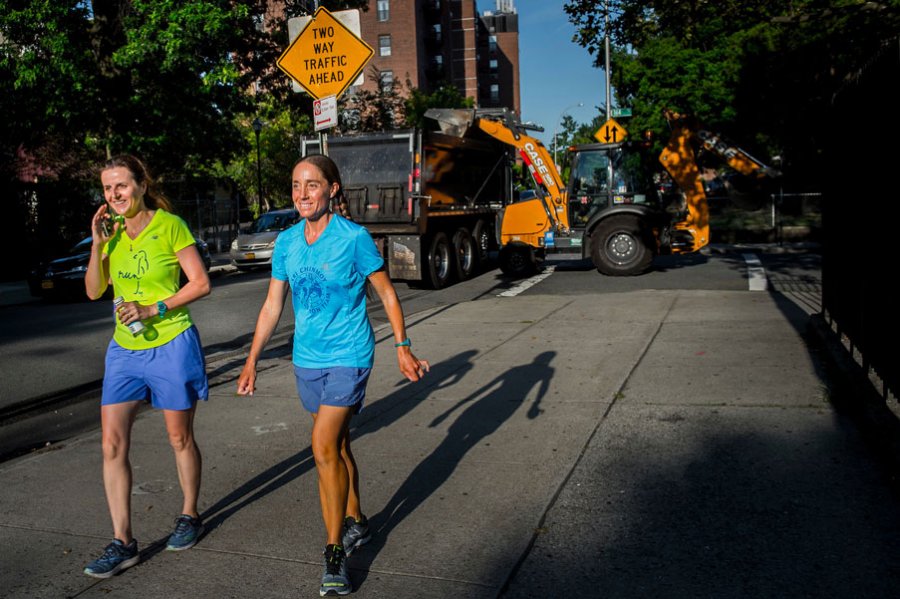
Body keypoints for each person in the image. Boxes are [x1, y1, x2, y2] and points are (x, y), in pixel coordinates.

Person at [236, 154, 429, 597]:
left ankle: (335, 552)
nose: (302, 194)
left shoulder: (354, 238)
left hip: (350, 354)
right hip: (307, 358)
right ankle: (358, 518)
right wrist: (251, 360)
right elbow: (272, 306)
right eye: (296, 185)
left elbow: (386, 294)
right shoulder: (286, 243)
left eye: (312, 185)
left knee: (321, 446)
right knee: (338, 444)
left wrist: (402, 348)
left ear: (333, 190)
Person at [82, 154, 211, 578]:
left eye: (121, 185)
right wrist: (98, 244)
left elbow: (200, 283)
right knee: (111, 444)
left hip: (171, 342)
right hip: (124, 350)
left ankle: (190, 514)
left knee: (179, 437)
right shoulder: (112, 234)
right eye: (107, 188)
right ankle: (123, 542)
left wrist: (153, 307)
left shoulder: (169, 225)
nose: (114, 195)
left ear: (140, 184)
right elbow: (94, 291)